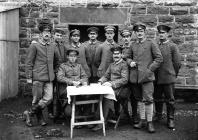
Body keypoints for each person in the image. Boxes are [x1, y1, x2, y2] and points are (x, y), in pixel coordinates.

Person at [126, 22, 163, 133]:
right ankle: (142, 120)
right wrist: (130, 62)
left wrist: (149, 70)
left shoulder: (151, 43)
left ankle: (150, 122)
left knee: (148, 99)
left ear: (144, 32)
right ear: (135, 33)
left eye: (141, 31)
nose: (139, 33)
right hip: (135, 77)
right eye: (137, 31)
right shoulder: (133, 45)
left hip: (147, 77)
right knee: (139, 99)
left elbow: (159, 59)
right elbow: (127, 57)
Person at [24, 18, 60, 127]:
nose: (47, 34)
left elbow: (57, 61)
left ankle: (29, 113)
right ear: (41, 33)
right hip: (37, 77)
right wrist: (29, 77)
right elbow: (29, 62)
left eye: (49, 32)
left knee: (49, 98)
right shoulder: (34, 45)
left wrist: (54, 72)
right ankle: (40, 119)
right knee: (36, 99)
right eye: (45, 31)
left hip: (49, 78)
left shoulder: (53, 45)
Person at [92, 46, 129, 131]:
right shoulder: (111, 64)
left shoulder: (124, 65)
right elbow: (106, 75)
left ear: (121, 55)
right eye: (114, 54)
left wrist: (111, 83)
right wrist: (100, 81)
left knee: (105, 98)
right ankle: (99, 118)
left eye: (118, 54)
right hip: (111, 87)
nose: (116, 56)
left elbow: (124, 79)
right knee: (98, 94)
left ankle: (102, 122)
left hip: (121, 88)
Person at [154, 24, 181, 129]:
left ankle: (170, 119)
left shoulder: (173, 46)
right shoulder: (155, 45)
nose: (161, 35)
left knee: (170, 99)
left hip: (168, 78)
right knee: (157, 98)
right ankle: (158, 115)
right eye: (159, 33)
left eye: (163, 33)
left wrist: (173, 74)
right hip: (156, 78)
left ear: (168, 34)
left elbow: (177, 63)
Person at [56, 48, 88, 118]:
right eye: (71, 56)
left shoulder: (79, 66)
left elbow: (85, 76)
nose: (73, 58)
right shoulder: (63, 66)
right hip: (66, 90)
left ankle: (85, 117)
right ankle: (76, 118)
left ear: (76, 57)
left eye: (74, 56)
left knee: (89, 96)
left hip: (78, 89)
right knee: (75, 97)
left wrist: (80, 81)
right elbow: (59, 78)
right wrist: (72, 82)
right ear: (67, 57)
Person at [120, 27, 138, 124]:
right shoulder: (120, 48)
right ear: (122, 38)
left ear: (130, 37)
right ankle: (125, 113)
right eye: (124, 37)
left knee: (134, 97)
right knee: (123, 96)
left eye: (128, 36)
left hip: (132, 75)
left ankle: (134, 115)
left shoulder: (134, 47)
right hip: (123, 76)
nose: (126, 38)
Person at [48, 28, 67, 120]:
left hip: (61, 74)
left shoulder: (63, 46)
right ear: (53, 35)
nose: (59, 37)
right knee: (50, 94)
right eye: (57, 35)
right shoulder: (50, 46)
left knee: (60, 93)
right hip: (52, 73)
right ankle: (50, 112)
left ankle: (60, 112)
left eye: (60, 36)